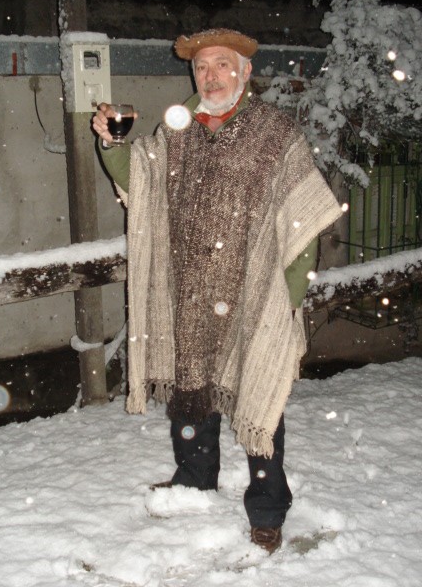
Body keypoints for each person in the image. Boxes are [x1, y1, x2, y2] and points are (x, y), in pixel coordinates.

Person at [92, 28, 342, 554]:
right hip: (189, 290)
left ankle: (269, 507)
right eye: (202, 67)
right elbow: (142, 183)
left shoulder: (275, 134)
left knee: (260, 397)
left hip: (253, 291)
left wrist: (288, 298)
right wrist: (111, 142)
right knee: (191, 390)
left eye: (223, 65)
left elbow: (302, 219)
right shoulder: (176, 129)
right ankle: (195, 478)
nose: (211, 76)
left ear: (246, 72)